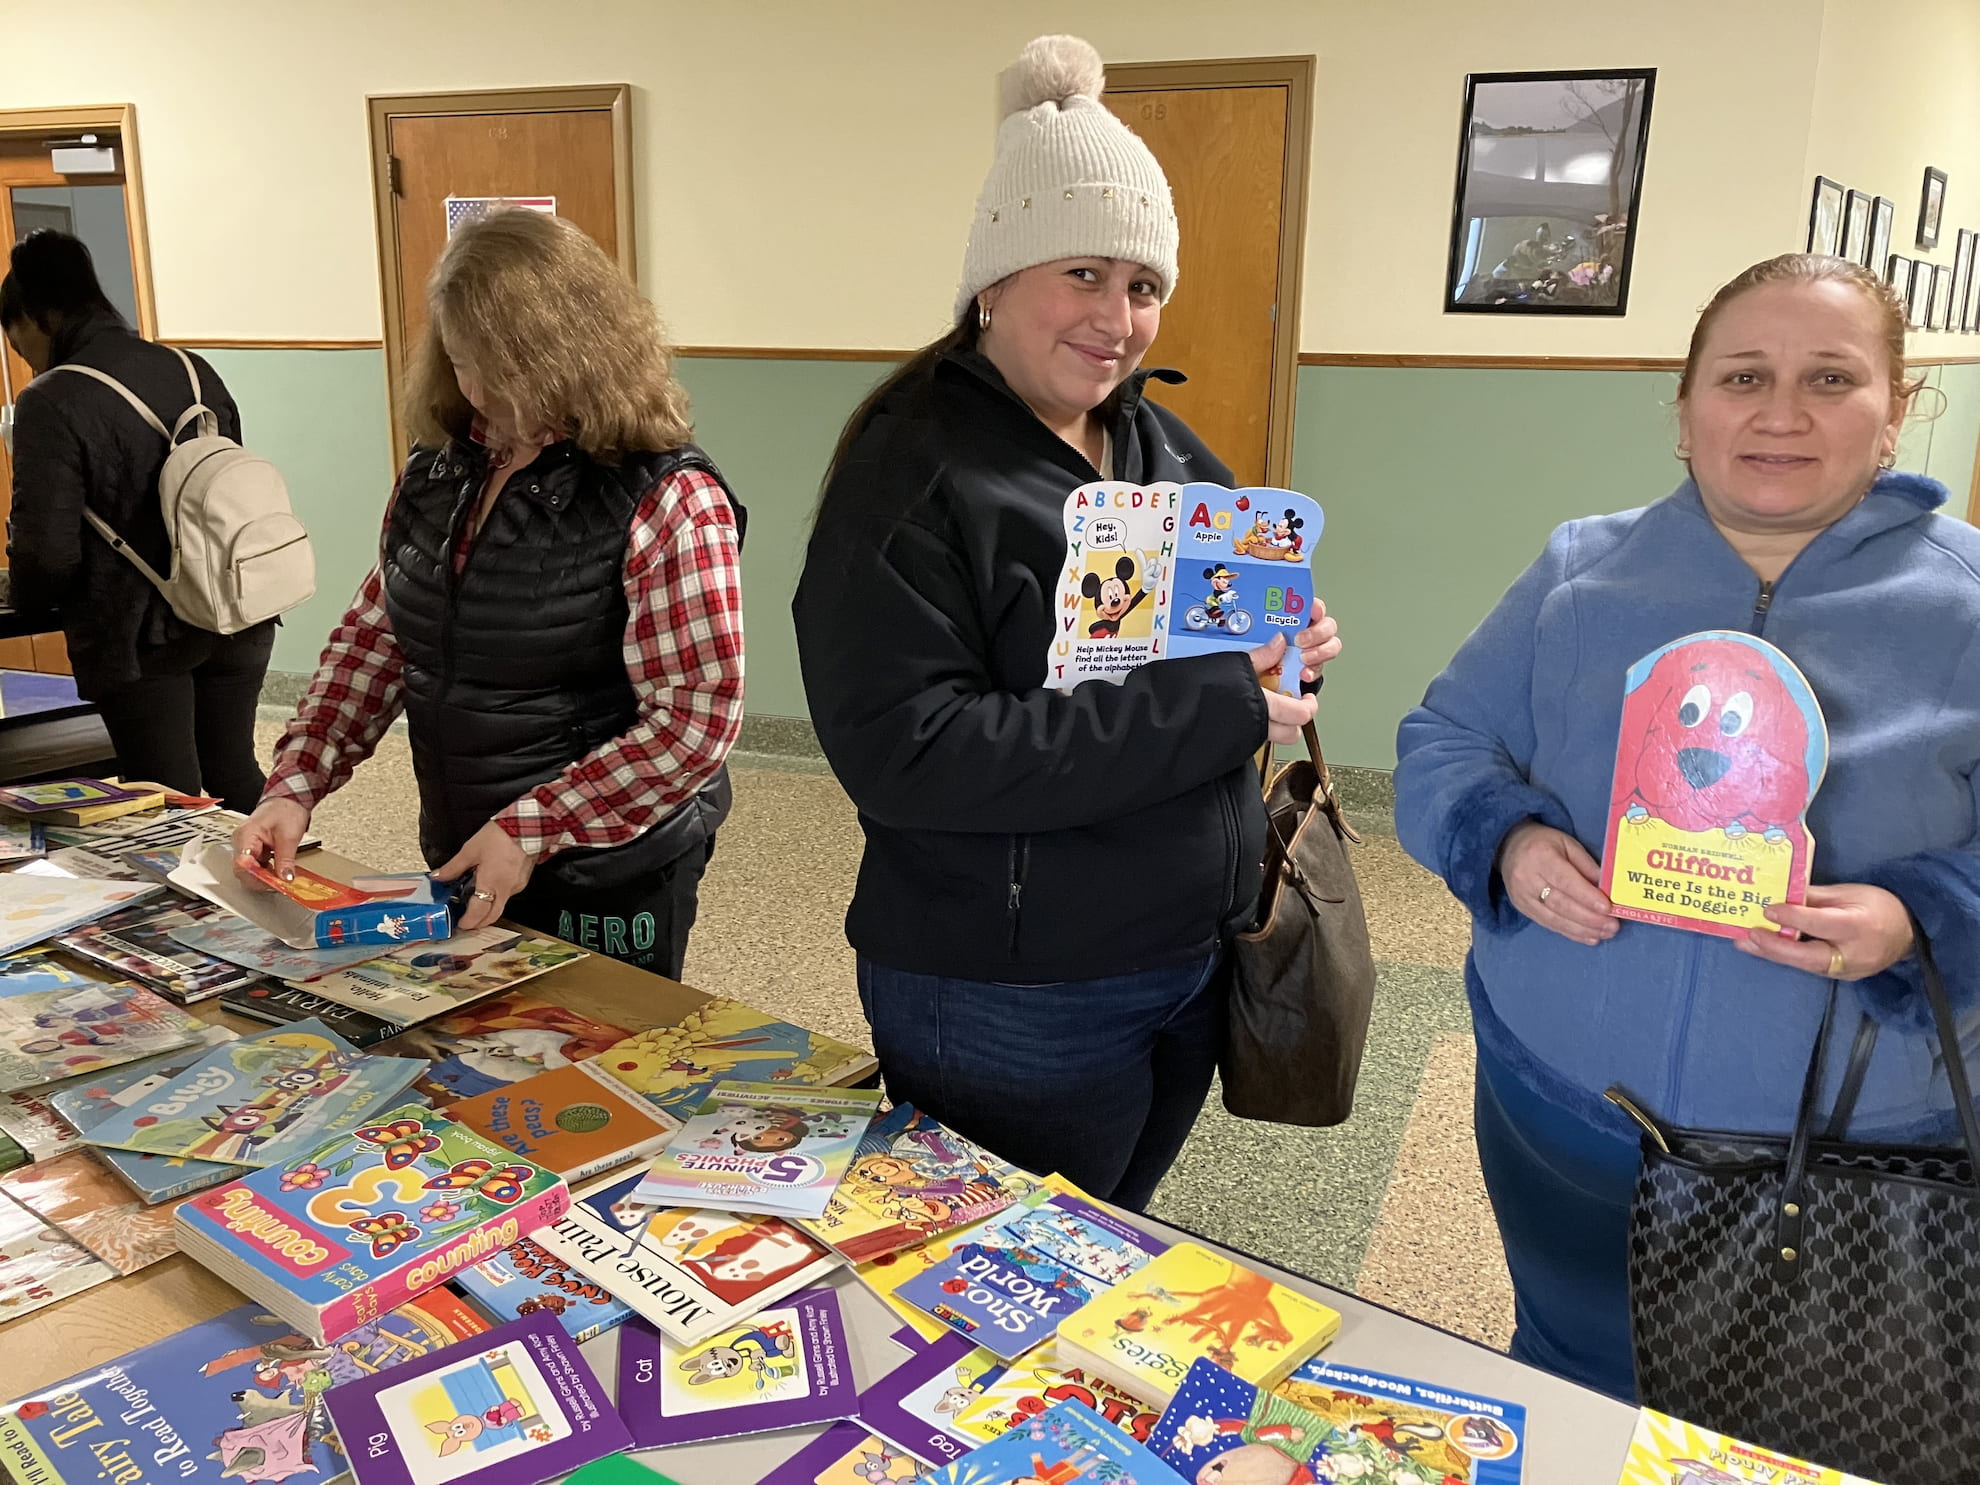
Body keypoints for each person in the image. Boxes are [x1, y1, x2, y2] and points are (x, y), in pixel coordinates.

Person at [1394, 253, 1980, 1402]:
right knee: (1567, 1383)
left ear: (1896, 408)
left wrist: (1919, 913)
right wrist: (1505, 840)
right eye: (1743, 376)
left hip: (1849, 1156)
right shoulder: (1581, 570)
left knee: (1803, 1419)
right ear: (1684, 405)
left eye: (1830, 379)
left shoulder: (1967, 605)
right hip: (1567, 1117)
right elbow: (1442, 744)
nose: (1779, 415)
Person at [793, 35, 1341, 1209]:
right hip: (1016, 988)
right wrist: (1220, 702)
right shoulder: (911, 473)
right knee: (986, 1286)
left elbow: (1218, 655)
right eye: (1083, 275)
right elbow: (909, 753)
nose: (1120, 318)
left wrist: (1285, 660)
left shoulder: (1156, 444)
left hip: (1188, 954)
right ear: (994, 280)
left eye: (1144, 287)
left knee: (1110, 1243)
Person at [234, 209, 744, 977]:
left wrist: (536, 827)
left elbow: (695, 719)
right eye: (462, 361)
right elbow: (376, 639)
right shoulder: (439, 469)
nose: (477, 391)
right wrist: (295, 784)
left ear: (575, 353)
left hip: (607, 869)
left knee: (600, 1060)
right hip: (469, 844)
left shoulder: (669, 496)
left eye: (502, 369)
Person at [2, 231, 273, 810]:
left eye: (14, 335)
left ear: (37, 317)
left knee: (165, 801)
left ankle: (200, 899)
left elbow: (45, 554)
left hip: (141, 633)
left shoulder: (50, 399)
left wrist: (22, 594)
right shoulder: (192, 369)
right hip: (236, 607)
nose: (20, 352)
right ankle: (289, 887)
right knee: (236, 777)